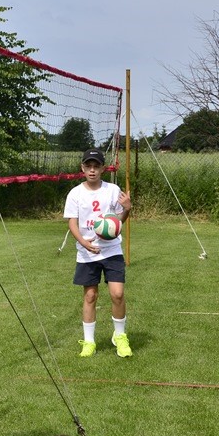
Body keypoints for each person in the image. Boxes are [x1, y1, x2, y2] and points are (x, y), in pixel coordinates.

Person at [63, 148, 133, 358]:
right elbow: (72, 222)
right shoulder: (75, 193)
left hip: (111, 251)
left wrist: (127, 209)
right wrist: (84, 243)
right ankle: (89, 341)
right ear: (82, 168)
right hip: (87, 253)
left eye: (96, 166)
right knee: (90, 295)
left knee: (117, 294)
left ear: (103, 168)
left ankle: (119, 337)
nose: (92, 170)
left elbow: (115, 224)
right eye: (88, 166)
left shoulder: (112, 190)